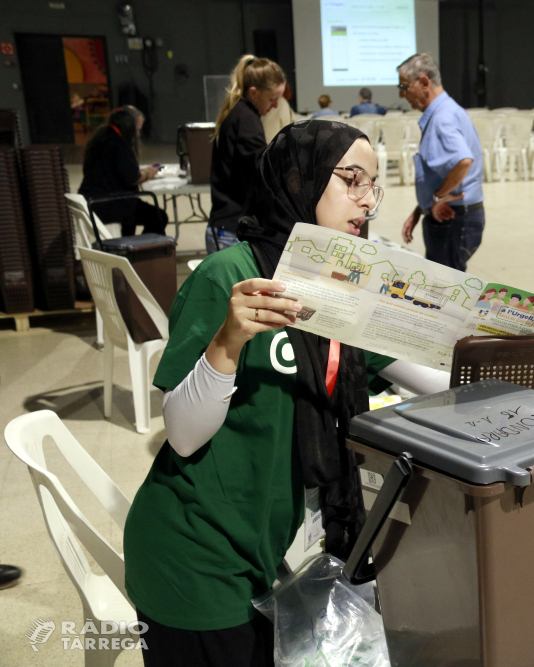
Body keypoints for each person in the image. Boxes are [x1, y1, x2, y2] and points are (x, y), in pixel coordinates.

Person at [123, 120, 448, 666]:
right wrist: (227, 343)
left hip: (267, 548)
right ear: (302, 180)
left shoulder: (344, 290)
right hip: (194, 559)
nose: (367, 201)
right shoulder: (233, 275)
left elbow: (432, 379)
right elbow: (180, 435)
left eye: (374, 185)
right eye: (352, 180)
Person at [397, 54, 485, 272]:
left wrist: (438, 197)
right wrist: (420, 210)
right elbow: (440, 173)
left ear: (424, 82)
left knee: (444, 293)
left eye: (404, 86)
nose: (402, 94)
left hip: (453, 219)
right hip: (451, 216)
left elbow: (463, 161)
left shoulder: (442, 118)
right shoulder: (446, 111)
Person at [208, 55, 286, 254]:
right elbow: (262, 169)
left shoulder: (237, 113)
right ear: (254, 93)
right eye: (272, 99)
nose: (275, 106)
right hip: (231, 229)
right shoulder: (246, 119)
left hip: (225, 227)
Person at [79, 107, 168, 237]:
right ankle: (142, 250)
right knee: (159, 217)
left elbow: (120, 171)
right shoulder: (118, 144)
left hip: (93, 200)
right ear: (129, 127)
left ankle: (130, 245)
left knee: (133, 207)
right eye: (137, 130)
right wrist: (149, 173)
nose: (138, 134)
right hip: (109, 204)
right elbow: (132, 178)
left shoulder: (102, 136)